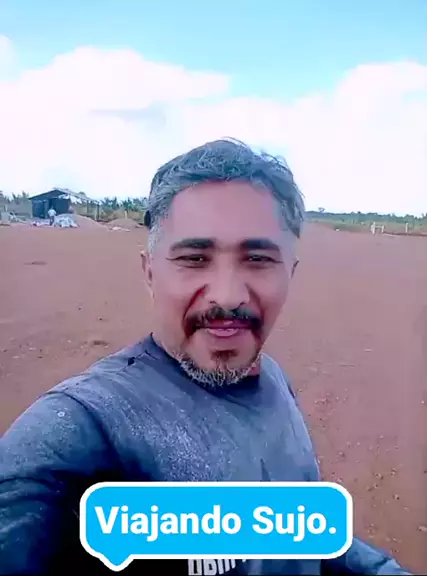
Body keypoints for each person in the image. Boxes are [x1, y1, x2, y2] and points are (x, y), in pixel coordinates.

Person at [0, 139, 411, 575]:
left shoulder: (272, 380)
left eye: (258, 259)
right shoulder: (87, 427)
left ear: (289, 273)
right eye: (195, 258)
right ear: (150, 272)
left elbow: (301, 526)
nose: (228, 296)